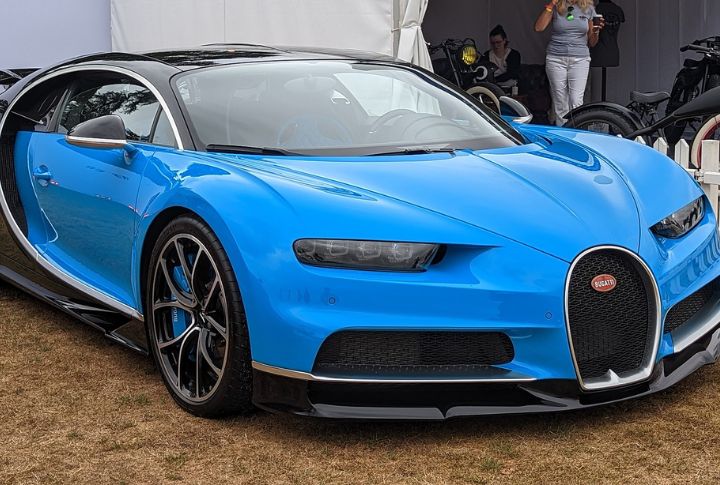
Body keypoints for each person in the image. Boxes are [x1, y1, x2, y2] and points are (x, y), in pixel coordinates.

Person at [535, 0, 604, 125]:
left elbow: (592, 42)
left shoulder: (588, 8)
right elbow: (539, 27)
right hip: (556, 58)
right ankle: (563, 132)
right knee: (560, 101)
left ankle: (576, 130)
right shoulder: (556, 6)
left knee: (576, 100)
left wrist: (596, 31)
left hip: (580, 59)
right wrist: (551, 4)